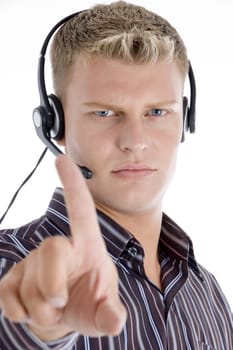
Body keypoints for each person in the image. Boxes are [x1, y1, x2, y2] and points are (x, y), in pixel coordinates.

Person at [0, 1, 232, 349]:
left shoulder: (208, 292)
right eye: (105, 112)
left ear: (184, 120)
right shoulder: (10, 262)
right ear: (55, 125)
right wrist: (38, 332)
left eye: (157, 111)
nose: (135, 142)